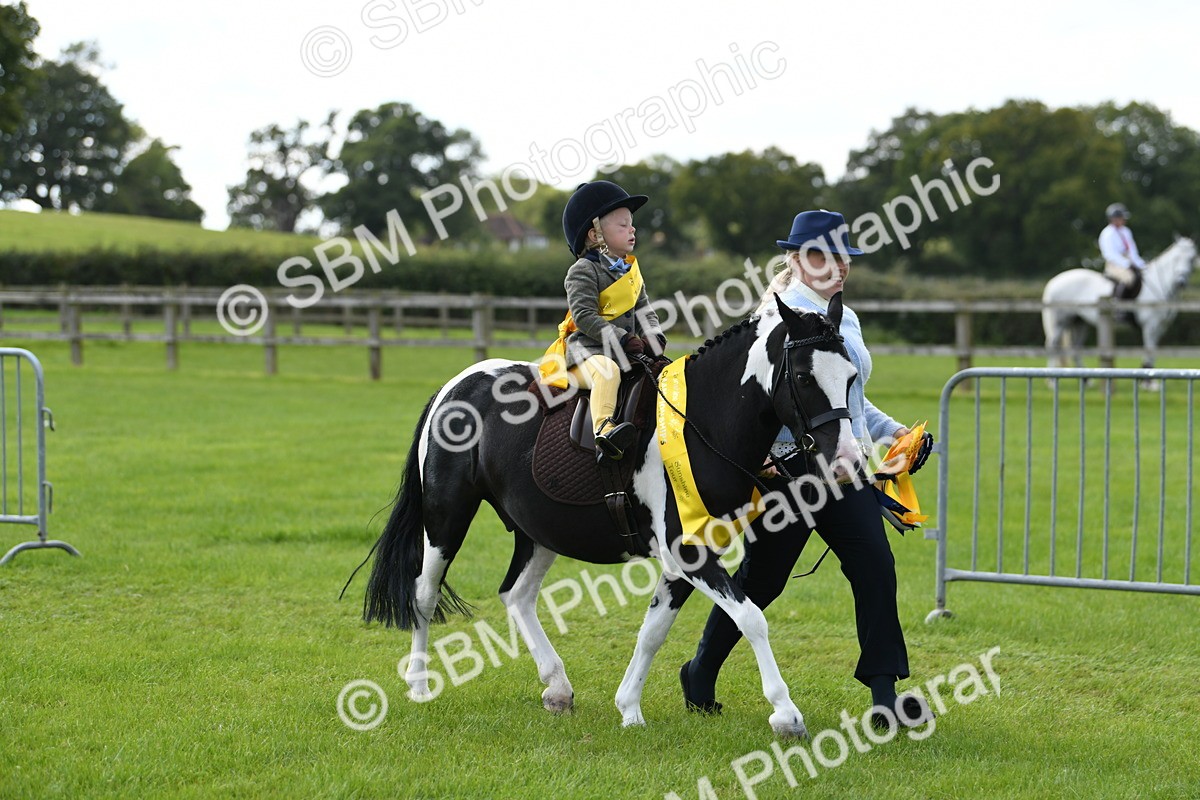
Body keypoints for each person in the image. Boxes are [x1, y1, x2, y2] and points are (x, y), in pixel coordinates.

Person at [678, 209, 934, 727]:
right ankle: (700, 670)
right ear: (794, 260)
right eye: (821, 255)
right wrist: (766, 456)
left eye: (843, 256)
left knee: (875, 566)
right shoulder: (776, 319)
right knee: (763, 580)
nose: (837, 266)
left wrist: (894, 432)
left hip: (847, 468)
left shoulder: (844, 315)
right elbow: (757, 399)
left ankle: (884, 697)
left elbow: (846, 397)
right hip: (789, 474)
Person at [539, 180, 666, 462]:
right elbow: (584, 317)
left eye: (631, 224)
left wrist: (654, 335)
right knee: (607, 371)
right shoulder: (582, 271)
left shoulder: (631, 270)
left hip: (630, 351)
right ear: (594, 234)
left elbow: (645, 309)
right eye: (622, 225)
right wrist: (622, 339)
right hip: (589, 352)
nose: (632, 229)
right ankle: (604, 431)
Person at [1099, 202, 1146, 302]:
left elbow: (1132, 251)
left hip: (1129, 263)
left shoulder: (1126, 231)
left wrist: (1141, 264)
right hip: (1114, 265)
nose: (1123, 220)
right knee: (1129, 278)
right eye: (1121, 218)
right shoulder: (1107, 234)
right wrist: (1126, 263)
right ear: (1113, 219)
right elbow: (1110, 254)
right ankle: (1119, 306)